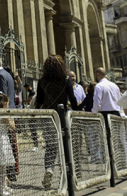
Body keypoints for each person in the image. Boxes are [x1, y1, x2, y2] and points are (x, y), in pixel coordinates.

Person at [35, 55, 78, 189]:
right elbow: (72, 99)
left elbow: (39, 101)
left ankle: (49, 169)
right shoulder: (65, 80)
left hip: (48, 117)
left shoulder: (42, 81)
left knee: (50, 146)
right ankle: (67, 174)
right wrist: (76, 109)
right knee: (65, 145)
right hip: (62, 116)